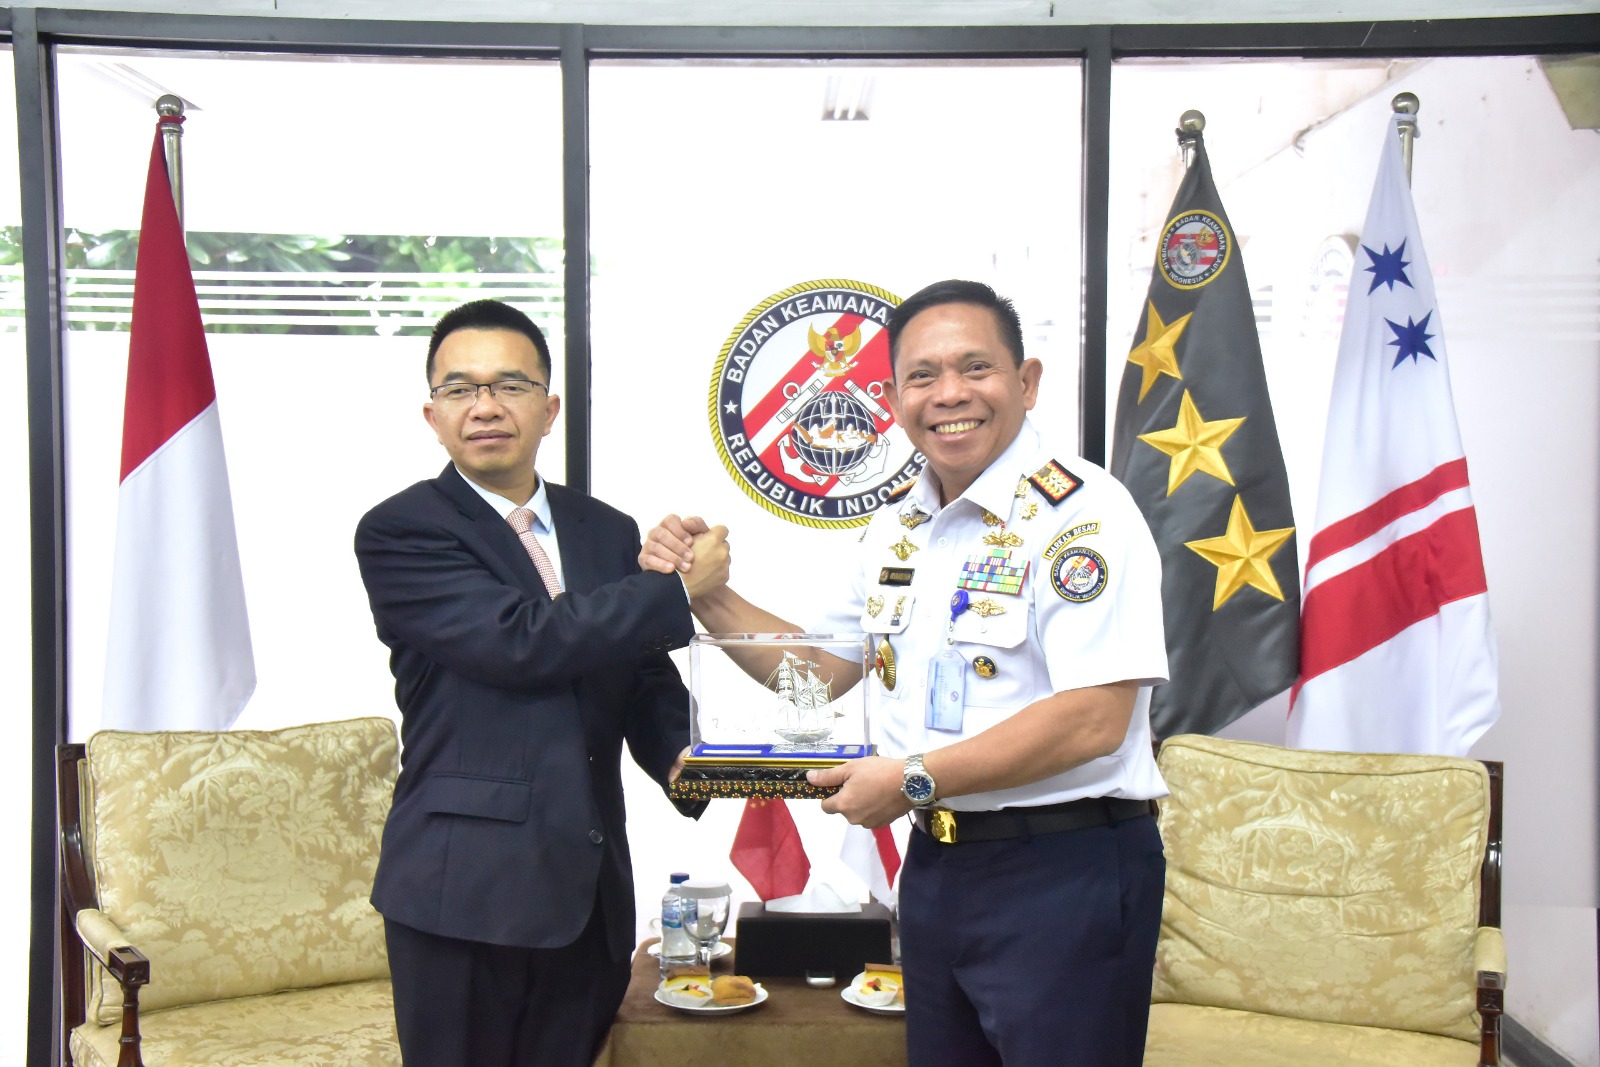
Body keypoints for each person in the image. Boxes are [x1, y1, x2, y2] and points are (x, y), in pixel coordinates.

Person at [642, 280, 1168, 1067]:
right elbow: (818, 674)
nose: (949, 393)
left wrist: (912, 780)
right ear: (889, 397)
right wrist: (707, 591)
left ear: (1025, 382)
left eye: (975, 367)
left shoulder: (1084, 513)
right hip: (939, 869)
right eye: (922, 376)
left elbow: (1095, 717)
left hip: (1062, 871)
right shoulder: (900, 525)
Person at [354, 298, 728, 1067]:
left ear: (549, 406)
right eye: (460, 389)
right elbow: (520, 643)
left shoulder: (606, 530)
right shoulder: (401, 530)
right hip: (464, 895)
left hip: (587, 892)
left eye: (510, 385)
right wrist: (677, 591)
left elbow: (641, 670)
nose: (485, 406)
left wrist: (681, 754)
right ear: (431, 414)